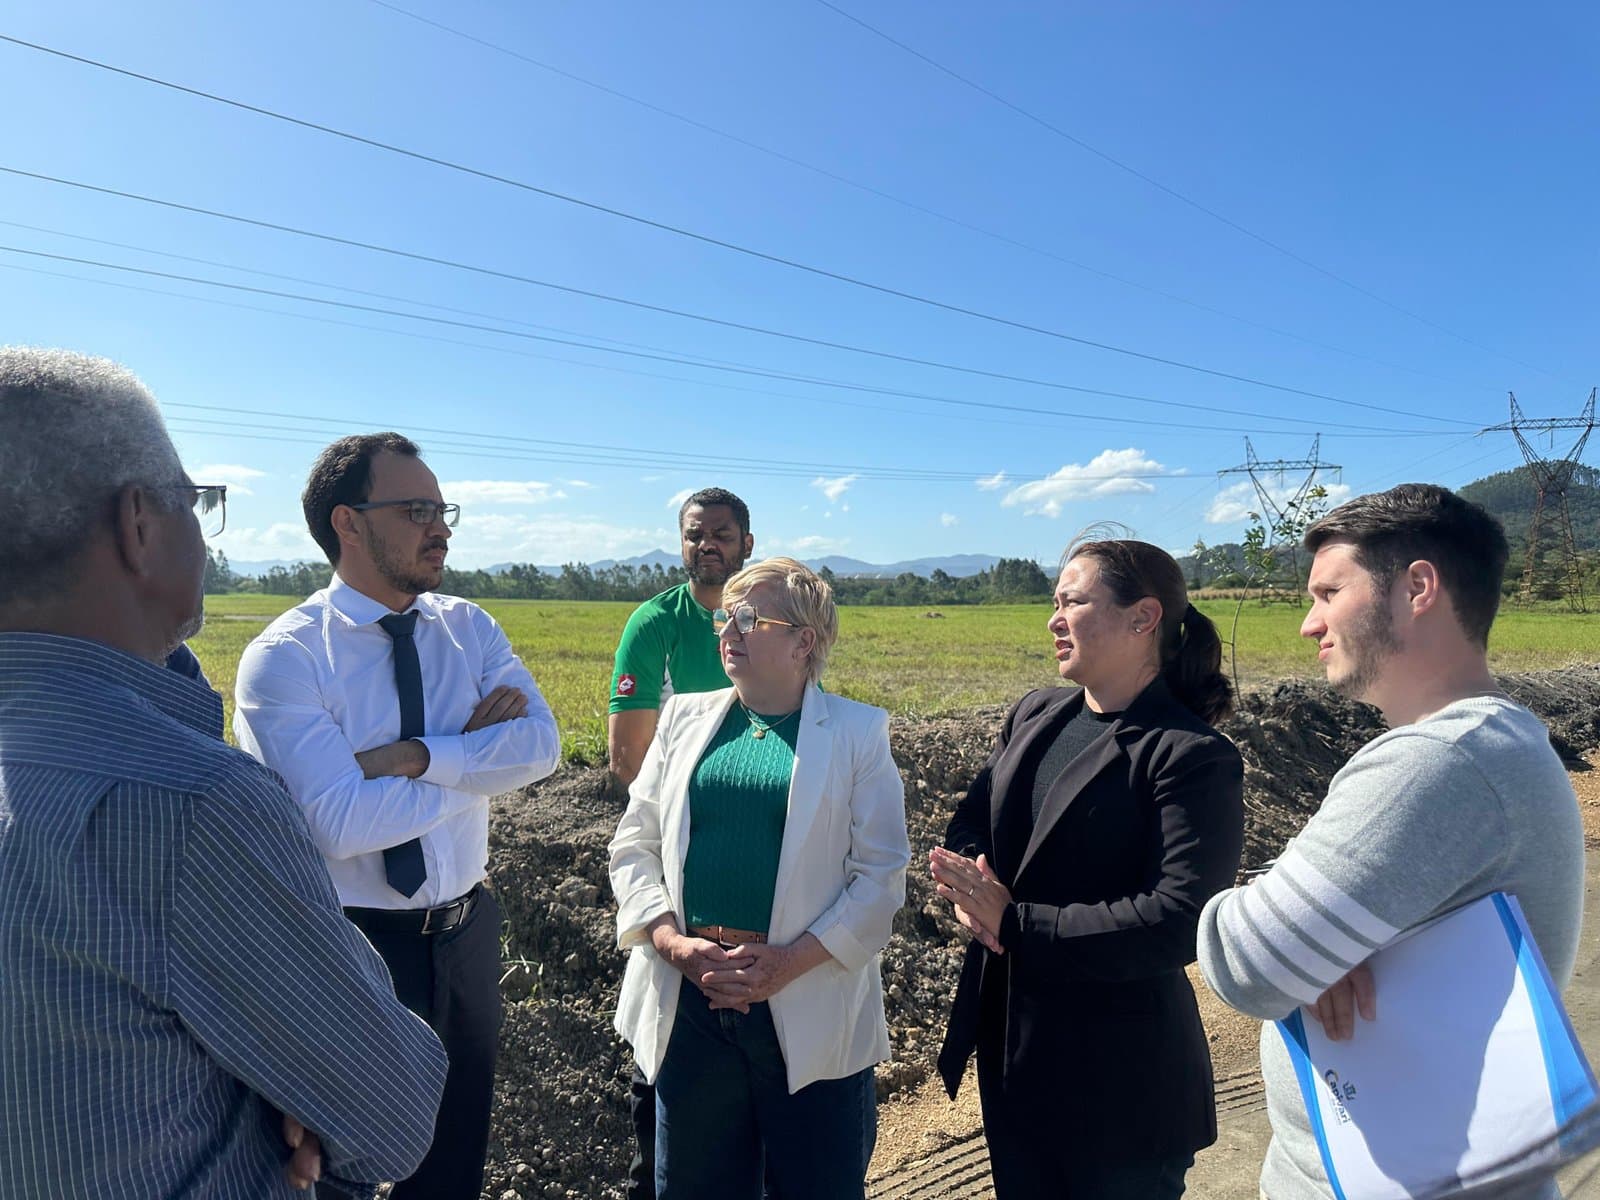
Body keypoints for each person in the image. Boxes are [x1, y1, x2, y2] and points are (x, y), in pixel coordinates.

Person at [0, 348, 447, 1198]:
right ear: (139, 525)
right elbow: (390, 1115)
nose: (204, 537)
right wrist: (273, 1094)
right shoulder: (195, 805)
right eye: (195, 503)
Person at [1197, 484, 1584, 1200]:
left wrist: (1287, 934)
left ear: (1417, 588)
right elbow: (1290, 948)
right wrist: (1319, 945)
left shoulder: (1441, 760)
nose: (1308, 625)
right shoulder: (1490, 742)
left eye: (1328, 593)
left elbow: (1245, 963)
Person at [234, 433, 561, 1200]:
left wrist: (414, 756)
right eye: (417, 511)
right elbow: (339, 825)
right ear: (348, 522)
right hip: (348, 948)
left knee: (452, 1168)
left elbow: (541, 746)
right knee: (337, 1174)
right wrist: (476, 762)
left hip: (466, 936)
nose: (440, 529)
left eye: (443, 511)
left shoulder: (468, 628)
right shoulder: (288, 657)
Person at [934, 536, 1244, 1200]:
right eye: (1054, 602)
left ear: (1143, 618)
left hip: (1121, 1087)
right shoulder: (1035, 715)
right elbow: (972, 821)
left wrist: (1015, 923)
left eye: (1072, 602)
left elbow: (1179, 917)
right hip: (1017, 1063)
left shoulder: (1190, 755)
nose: (1054, 619)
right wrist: (971, 888)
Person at [609, 557, 909, 1199]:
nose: (728, 631)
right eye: (725, 617)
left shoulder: (858, 733)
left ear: (804, 641)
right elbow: (634, 845)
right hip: (691, 1000)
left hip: (807, 1000)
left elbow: (880, 878)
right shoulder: (683, 718)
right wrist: (672, 943)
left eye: (749, 618)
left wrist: (787, 964)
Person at [606, 484, 754, 1197]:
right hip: (676, 860)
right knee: (663, 1056)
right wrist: (702, 814)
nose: (707, 545)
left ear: (747, 543)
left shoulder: (770, 618)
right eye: (695, 534)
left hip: (759, 861)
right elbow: (628, 758)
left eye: (721, 533)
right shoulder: (656, 624)